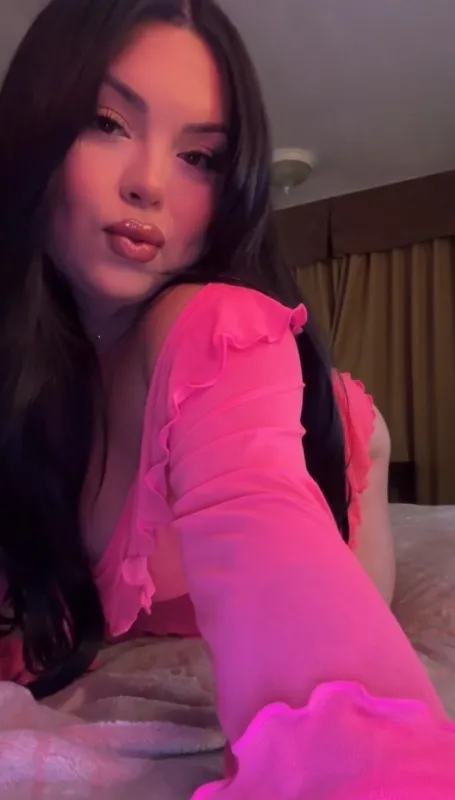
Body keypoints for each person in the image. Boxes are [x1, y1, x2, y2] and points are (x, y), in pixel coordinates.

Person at [0, 0, 453, 796]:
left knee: (343, 559)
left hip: (315, 452)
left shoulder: (214, 330)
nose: (147, 184)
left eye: (199, 158)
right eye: (108, 123)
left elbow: (275, 549)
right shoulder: (26, 365)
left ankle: (361, 427)